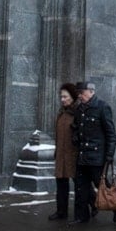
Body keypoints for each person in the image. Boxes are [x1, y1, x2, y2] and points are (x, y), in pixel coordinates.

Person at [70, 81, 116, 224]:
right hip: (82, 155)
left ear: (91, 91)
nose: (80, 96)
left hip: (97, 156)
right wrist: (75, 136)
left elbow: (111, 133)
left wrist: (109, 155)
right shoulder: (80, 108)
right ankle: (82, 216)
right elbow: (76, 127)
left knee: (102, 185)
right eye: (78, 93)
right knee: (81, 187)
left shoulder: (102, 107)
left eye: (82, 93)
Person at [49, 83, 78, 220]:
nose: (62, 99)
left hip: (74, 154)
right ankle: (61, 211)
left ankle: (94, 204)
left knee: (79, 183)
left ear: (72, 97)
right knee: (61, 184)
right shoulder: (62, 112)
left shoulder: (77, 113)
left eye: (65, 96)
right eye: (61, 96)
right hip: (61, 154)